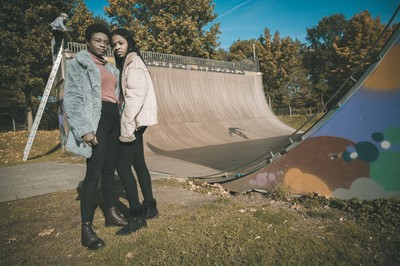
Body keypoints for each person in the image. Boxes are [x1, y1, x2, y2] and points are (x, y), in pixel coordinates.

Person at [63, 23, 128, 250]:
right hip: (96, 122)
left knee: (109, 170)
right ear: (88, 41)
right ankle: (87, 229)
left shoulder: (111, 69)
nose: (103, 45)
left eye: (106, 42)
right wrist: (84, 129)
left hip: (113, 122)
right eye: (98, 40)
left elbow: (118, 95)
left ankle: (111, 214)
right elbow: (71, 98)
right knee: (94, 174)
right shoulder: (79, 63)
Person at [111, 28, 158, 235]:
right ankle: (151, 206)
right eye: (114, 45)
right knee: (138, 163)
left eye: (120, 43)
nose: (116, 47)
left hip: (134, 122)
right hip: (138, 122)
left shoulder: (133, 63)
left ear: (129, 42)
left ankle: (137, 215)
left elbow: (134, 100)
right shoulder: (131, 61)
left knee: (122, 166)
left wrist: (126, 130)